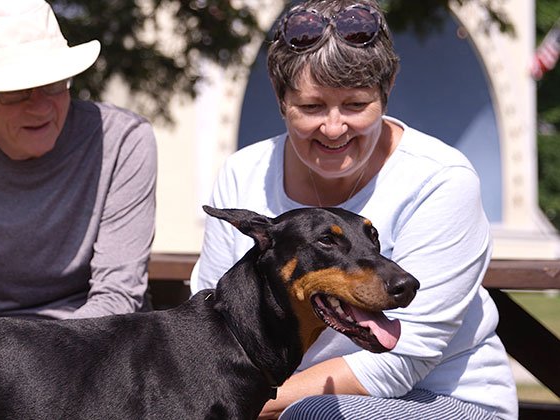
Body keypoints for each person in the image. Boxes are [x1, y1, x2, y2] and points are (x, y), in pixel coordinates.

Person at [192, 1, 516, 419]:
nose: (333, 127)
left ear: (387, 90)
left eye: (355, 105)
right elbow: (213, 316)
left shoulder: (441, 179)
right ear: (279, 98)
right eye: (311, 107)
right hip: (284, 401)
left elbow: (401, 361)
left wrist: (244, 401)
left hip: (449, 401)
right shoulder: (244, 172)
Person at [0, 0, 157, 321]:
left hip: (101, 351)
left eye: (53, 83)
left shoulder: (123, 140)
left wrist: (28, 367)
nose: (40, 107)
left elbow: (117, 295)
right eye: (15, 91)